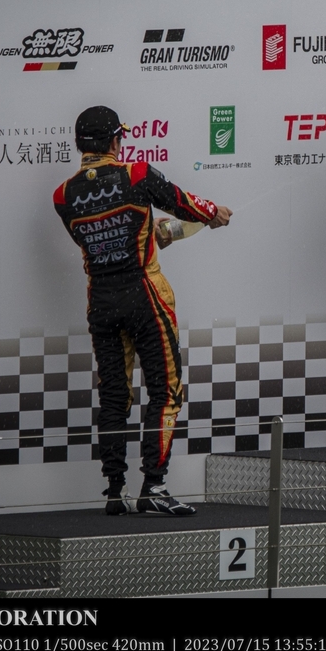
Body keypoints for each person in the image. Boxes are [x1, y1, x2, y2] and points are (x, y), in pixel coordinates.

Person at [53, 106, 232, 515]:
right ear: (115, 141)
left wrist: (148, 232)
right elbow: (183, 203)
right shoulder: (135, 174)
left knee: (114, 397)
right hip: (144, 294)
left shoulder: (62, 196)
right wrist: (213, 213)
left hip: (101, 300)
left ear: (81, 145)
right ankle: (154, 486)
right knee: (166, 391)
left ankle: (115, 493)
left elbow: (101, 239)